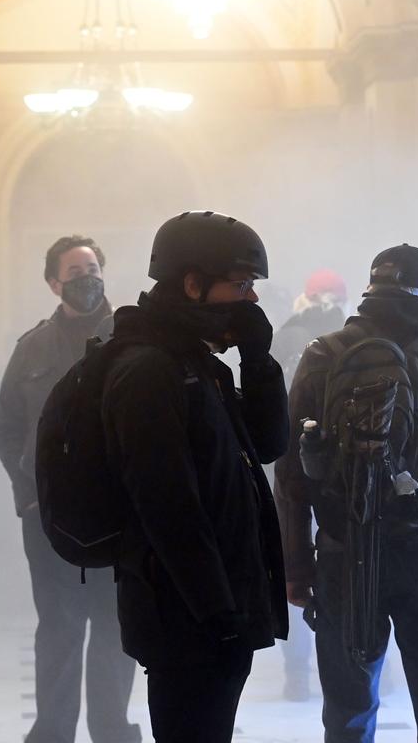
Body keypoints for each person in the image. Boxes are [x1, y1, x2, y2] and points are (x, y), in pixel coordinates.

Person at [276, 244, 418, 742]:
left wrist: (294, 566)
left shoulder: (324, 353)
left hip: (346, 552)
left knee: (347, 712)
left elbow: (292, 469)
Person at [104, 210, 288, 742]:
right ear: (192, 284)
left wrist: (257, 358)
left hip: (217, 608)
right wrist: (218, 614)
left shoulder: (198, 364)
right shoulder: (148, 371)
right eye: (241, 285)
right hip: (187, 618)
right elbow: (168, 508)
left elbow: (269, 445)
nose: (251, 299)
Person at [0, 235, 140, 743]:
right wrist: (27, 494)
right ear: (54, 283)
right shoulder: (32, 347)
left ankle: (112, 730)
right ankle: (53, 733)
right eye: (75, 272)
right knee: (58, 627)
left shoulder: (132, 335)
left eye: (93, 267)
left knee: (115, 626)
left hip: (118, 515)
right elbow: (7, 426)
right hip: (49, 516)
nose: (87, 278)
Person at [271, 268, 348, 702]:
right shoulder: (352, 337)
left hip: (294, 470)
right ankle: (310, 670)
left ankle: (297, 673)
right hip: (338, 475)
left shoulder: (288, 336)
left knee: (297, 567)